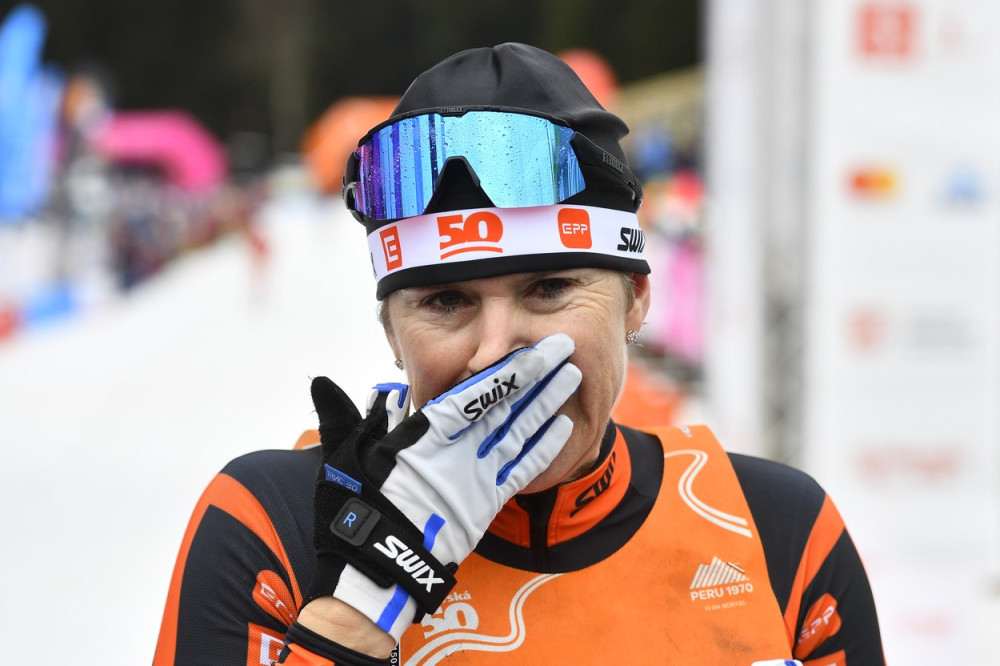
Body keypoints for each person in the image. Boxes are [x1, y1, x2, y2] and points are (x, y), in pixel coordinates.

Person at [154, 43, 884, 665]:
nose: (495, 352)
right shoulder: (272, 525)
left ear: (636, 300)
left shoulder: (779, 532)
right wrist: (356, 610)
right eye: (447, 302)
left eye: (549, 289)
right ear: (391, 333)